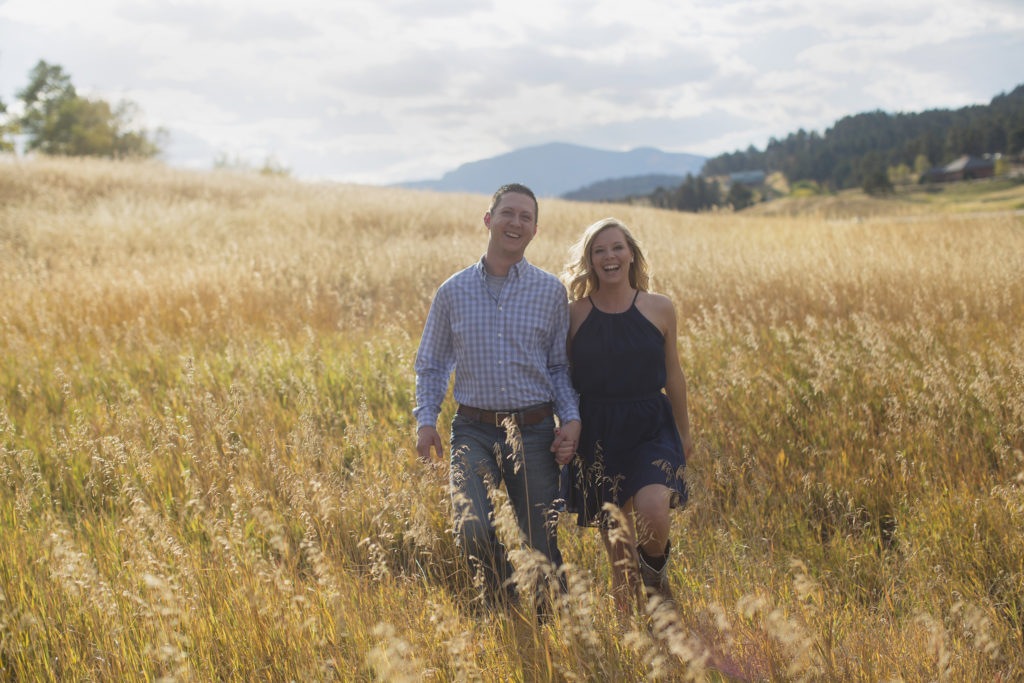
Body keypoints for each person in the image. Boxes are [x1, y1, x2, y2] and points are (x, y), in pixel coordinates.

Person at [414, 183, 581, 612]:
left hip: (536, 429)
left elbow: (561, 367)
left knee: (541, 540)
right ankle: (504, 605)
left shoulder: (550, 292)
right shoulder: (453, 291)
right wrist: (426, 420)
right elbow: (431, 363)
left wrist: (571, 418)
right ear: (489, 220)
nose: (516, 223)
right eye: (508, 213)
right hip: (473, 429)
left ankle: (553, 626)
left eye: (526, 217)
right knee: (470, 527)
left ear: (535, 230)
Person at [560, 217, 693, 615]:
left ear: (631, 254)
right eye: (598, 250)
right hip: (598, 430)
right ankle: (631, 636)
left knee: (654, 509)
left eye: (616, 247)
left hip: (652, 424)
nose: (609, 256)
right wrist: (565, 425)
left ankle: (656, 581)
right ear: (589, 261)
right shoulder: (574, 314)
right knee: (619, 551)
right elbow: (562, 376)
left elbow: (675, 375)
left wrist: (685, 434)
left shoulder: (660, 307)